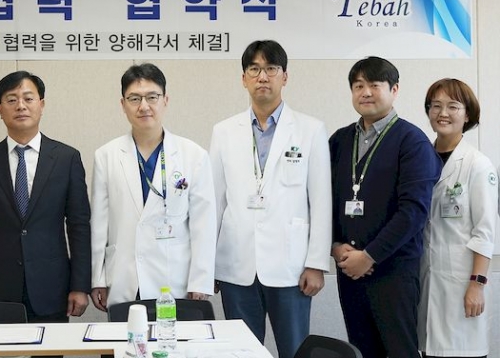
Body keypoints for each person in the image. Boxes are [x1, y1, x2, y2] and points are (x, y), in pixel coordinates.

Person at [209, 40, 332, 358]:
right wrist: (207, 266)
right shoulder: (224, 131)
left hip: (291, 267)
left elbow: (321, 202)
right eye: (254, 69)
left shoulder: (310, 130)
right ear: (244, 78)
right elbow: (214, 202)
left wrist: (316, 263)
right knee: (242, 353)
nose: (262, 77)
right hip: (236, 265)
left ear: (284, 76)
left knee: (294, 350)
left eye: (271, 69)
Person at [0, 71, 91, 324]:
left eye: (28, 98)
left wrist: (80, 285)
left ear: (42, 105)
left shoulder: (66, 158)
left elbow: (79, 225)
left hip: (52, 288)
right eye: (11, 100)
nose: (20, 106)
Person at [330, 56, 441, 358]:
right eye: (358, 86)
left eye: (374, 85)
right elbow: (324, 200)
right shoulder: (340, 140)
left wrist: (369, 256)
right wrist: (335, 246)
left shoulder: (412, 142)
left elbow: (413, 212)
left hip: (394, 273)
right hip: (349, 271)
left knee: (401, 351)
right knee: (362, 350)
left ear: (394, 89)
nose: (365, 92)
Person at [90, 63, 216, 311]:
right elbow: (99, 225)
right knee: (127, 335)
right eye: (134, 98)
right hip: (125, 276)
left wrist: (200, 280)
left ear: (165, 100)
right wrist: (98, 279)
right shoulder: (106, 155)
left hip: (175, 278)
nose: (144, 106)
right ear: (123, 104)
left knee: (173, 335)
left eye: (152, 97)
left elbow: (204, 224)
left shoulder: (193, 155)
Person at [418, 78, 497, 357]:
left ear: (467, 114)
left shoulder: (478, 165)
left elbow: (485, 231)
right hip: (427, 281)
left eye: (453, 106)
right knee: (429, 350)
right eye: (436, 106)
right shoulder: (420, 159)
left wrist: (477, 284)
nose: (443, 113)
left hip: (462, 283)